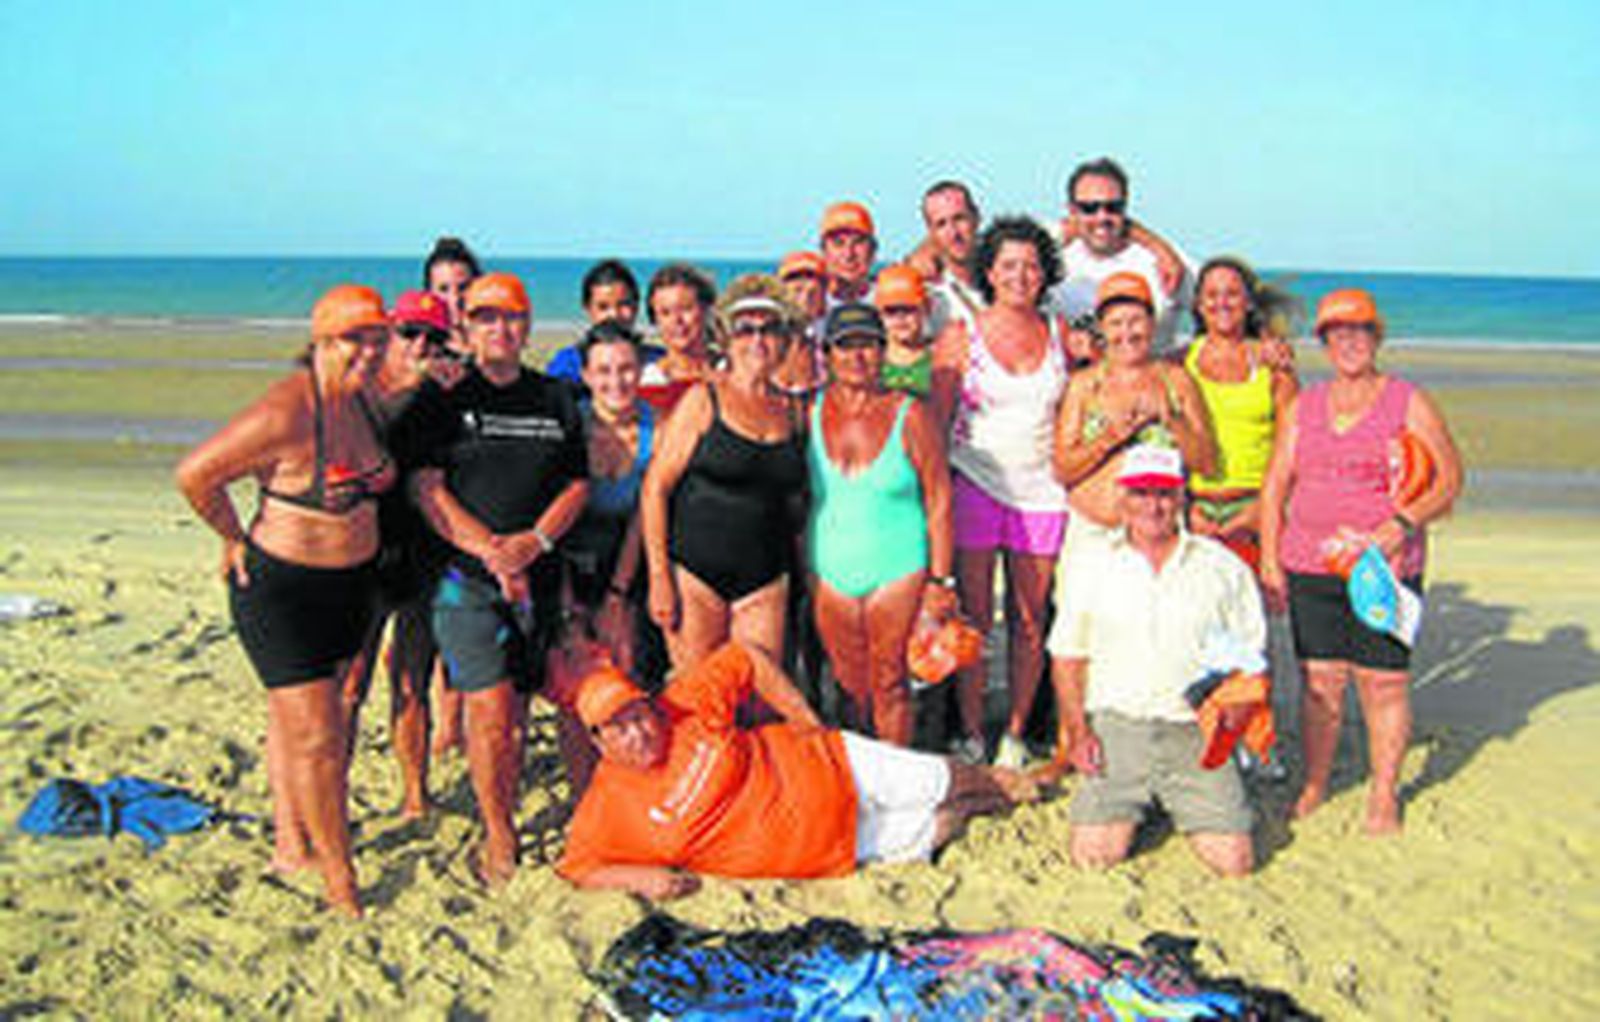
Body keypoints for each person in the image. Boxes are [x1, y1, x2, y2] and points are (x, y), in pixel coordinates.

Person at [175, 284, 394, 915]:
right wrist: (231, 535)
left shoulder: (364, 400)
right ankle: (340, 881)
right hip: (283, 595)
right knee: (321, 738)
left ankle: (292, 843)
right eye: (355, 338)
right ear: (321, 340)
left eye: (376, 337)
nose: (369, 350)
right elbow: (196, 474)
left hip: (349, 589)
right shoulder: (287, 410)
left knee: (299, 726)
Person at [553, 640, 1038, 897]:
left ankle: (1004, 783)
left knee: (940, 780)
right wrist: (641, 881)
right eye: (618, 729)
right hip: (827, 849)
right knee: (941, 823)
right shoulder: (606, 805)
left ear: (647, 705)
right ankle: (998, 797)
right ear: (597, 742)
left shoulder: (682, 703)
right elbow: (577, 867)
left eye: (636, 715)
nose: (637, 733)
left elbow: (745, 656)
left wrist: (802, 715)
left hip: (833, 765)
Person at [392, 271, 590, 886]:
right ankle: (499, 830)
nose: (499, 329)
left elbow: (576, 483)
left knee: (521, 706)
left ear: (527, 326)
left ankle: (502, 798)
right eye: (485, 318)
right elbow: (426, 487)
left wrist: (532, 545)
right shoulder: (444, 397)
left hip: (542, 573)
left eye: (510, 318)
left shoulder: (555, 397)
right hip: (465, 579)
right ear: (467, 328)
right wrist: (492, 552)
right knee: (488, 709)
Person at [1259, 288, 1463, 834]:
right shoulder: (1305, 406)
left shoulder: (1406, 401)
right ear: (1324, 343)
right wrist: (1271, 558)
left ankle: (1383, 793)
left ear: (1377, 337)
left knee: (1384, 681)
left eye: (1361, 330)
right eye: (1337, 332)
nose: (1349, 341)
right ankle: (1316, 783)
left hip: (1386, 568)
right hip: (1310, 562)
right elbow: (1276, 483)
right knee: (1320, 682)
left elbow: (1450, 480)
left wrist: (1397, 528)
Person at [1048, 446, 1263, 876]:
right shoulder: (1090, 565)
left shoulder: (1222, 567)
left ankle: (1174, 801)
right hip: (1119, 727)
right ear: (1123, 498)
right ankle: (1145, 805)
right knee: (1093, 856)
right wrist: (1077, 731)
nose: (1153, 505)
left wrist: (1232, 720)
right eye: (1142, 493)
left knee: (1234, 863)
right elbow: (1068, 656)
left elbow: (1251, 660)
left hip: (1195, 734)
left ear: (1182, 497)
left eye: (1165, 493)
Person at [930, 216, 1072, 768]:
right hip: (975, 484)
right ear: (989, 270)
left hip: (1043, 494)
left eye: (1031, 265)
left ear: (1045, 274)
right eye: (1008, 264)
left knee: (1030, 620)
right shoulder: (960, 335)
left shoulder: (1062, 334)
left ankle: (1014, 732)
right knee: (972, 619)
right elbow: (938, 428)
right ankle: (969, 731)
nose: (1020, 275)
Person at [641, 275, 808, 672]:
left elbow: (798, 505)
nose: (757, 340)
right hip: (696, 575)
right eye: (745, 330)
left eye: (769, 329)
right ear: (727, 339)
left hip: (766, 578)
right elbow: (655, 489)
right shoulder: (703, 399)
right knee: (699, 701)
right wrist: (660, 577)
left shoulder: (795, 411)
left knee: (757, 703)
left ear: (785, 339)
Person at [808, 303, 956, 745]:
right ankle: (865, 784)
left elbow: (940, 499)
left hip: (897, 568)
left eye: (869, 346)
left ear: (884, 351)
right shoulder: (810, 411)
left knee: (891, 683)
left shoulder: (911, 413)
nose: (857, 357)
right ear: (827, 354)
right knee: (849, 688)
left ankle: (898, 788)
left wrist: (940, 581)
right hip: (830, 570)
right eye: (846, 346)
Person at [340, 289, 461, 820]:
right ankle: (332, 797)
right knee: (349, 685)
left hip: (422, 553)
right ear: (389, 333)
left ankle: (416, 794)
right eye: (410, 333)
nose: (420, 345)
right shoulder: (356, 390)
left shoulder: (440, 400)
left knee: (413, 678)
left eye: (433, 338)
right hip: (362, 557)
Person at [1053, 272, 1217, 548]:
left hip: (1159, 535)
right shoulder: (1084, 385)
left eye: (1136, 321)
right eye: (1116, 323)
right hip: (1093, 532)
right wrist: (1110, 437)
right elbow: (1063, 469)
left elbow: (1206, 462)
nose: (1126, 333)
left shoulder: (1177, 380)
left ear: (1152, 324)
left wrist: (1171, 419)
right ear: (1102, 329)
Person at [560, 320, 664, 683]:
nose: (616, 381)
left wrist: (617, 596)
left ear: (640, 370)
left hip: (629, 563)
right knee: (575, 683)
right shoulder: (569, 426)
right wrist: (567, 599)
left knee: (625, 674)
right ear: (586, 375)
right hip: (567, 560)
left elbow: (644, 516)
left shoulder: (660, 428)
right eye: (603, 371)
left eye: (626, 369)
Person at [1182, 257, 1299, 571]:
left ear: (1248, 303)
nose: (1222, 302)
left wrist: (1265, 507)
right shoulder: (1181, 363)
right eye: (1212, 294)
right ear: (1198, 304)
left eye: (1232, 294)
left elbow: (1293, 447)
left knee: (1252, 617)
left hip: (1257, 507)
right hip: (1196, 511)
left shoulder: (1273, 365)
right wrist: (1184, 509)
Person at [1045, 158, 1195, 353]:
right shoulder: (1048, 258)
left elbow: (1223, 308)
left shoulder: (1165, 263)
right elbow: (1009, 242)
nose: (1102, 217)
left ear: (1125, 209)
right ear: (1072, 211)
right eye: (1089, 208)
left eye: (1113, 207)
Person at [545, 259, 665, 382]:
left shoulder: (657, 359)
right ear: (588, 309)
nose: (614, 315)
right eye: (603, 307)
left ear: (636, 307)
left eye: (623, 304)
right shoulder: (569, 363)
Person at [638, 263, 717, 415]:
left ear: (705, 310)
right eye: (665, 313)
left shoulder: (730, 370)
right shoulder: (649, 381)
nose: (677, 320)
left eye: (686, 308)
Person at [911, 180, 986, 337]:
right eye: (941, 224)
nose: (953, 233)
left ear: (977, 218)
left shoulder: (1010, 277)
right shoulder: (927, 295)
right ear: (931, 233)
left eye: (959, 219)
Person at [772, 251, 829, 398]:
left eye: (812, 279)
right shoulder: (763, 332)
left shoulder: (836, 332)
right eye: (794, 280)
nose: (804, 285)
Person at [875, 264, 935, 397]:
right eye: (891, 311)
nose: (900, 317)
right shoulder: (869, 362)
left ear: (927, 308)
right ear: (879, 314)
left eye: (908, 309)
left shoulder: (941, 358)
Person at [819, 200, 878, 310]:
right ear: (824, 252)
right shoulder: (812, 306)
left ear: (873, 252)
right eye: (838, 243)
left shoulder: (889, 302)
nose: (848, 254)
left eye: (858, 242)